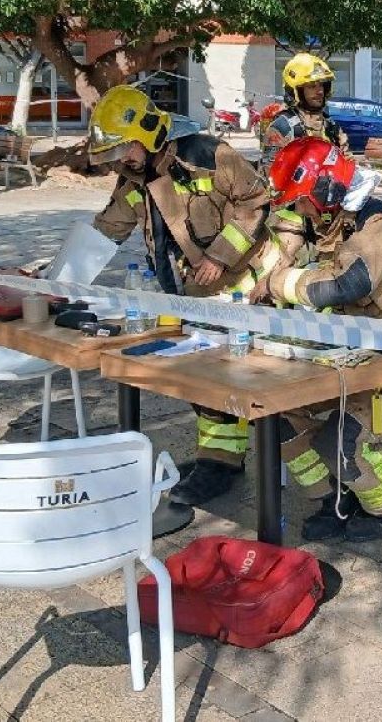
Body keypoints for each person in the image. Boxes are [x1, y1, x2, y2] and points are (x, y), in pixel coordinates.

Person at [88, 85, 274, 507]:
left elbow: (256, 202)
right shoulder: (135, 176)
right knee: (202, 379)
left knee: (235, 378)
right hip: (190, 293)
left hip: (244, 284)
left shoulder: (209, 154)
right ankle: (220, 460)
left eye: (125, 148)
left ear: (148, 132)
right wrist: (54, 278)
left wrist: (221, 256)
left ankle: (226, 464)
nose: (121, 159)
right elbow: (106, 231)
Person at [258, 137, 382, 541]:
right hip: (357, 354)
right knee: (278, 418)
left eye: (302, 201)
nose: (300, 211)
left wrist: (281, 282)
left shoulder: (380, 223)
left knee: (339, 440)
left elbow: (346, 284)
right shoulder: (335, 223)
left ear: (327, 190)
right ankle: (333, 499)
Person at [260, 53, 347, 171]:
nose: (320, 91)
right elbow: (270, 175)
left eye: (322, 85)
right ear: (297, 91)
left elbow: (345, 164)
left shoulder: (331, 127)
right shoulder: (282, 128)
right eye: (312, 86)